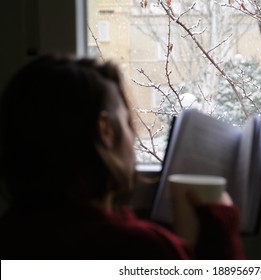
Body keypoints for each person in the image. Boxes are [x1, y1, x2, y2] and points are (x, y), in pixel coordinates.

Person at [0, 54, 244, 259]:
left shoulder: (13, 235)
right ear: (105, 130)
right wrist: (222, 233)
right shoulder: (146, 250)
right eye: (128, 122)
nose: (133, 135)